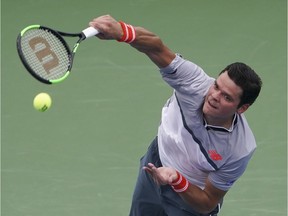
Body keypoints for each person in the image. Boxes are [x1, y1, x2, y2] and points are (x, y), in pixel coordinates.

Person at [89, 15, 262, 216]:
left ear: (242, 108)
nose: (214, 96)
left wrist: (176, 179)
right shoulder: (194, 83)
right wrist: (121, 31)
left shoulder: (239, 149)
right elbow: (156, 47)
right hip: (154, 165)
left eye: (227, 97)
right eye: (216, 86)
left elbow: (207, 202)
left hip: (188, 198)